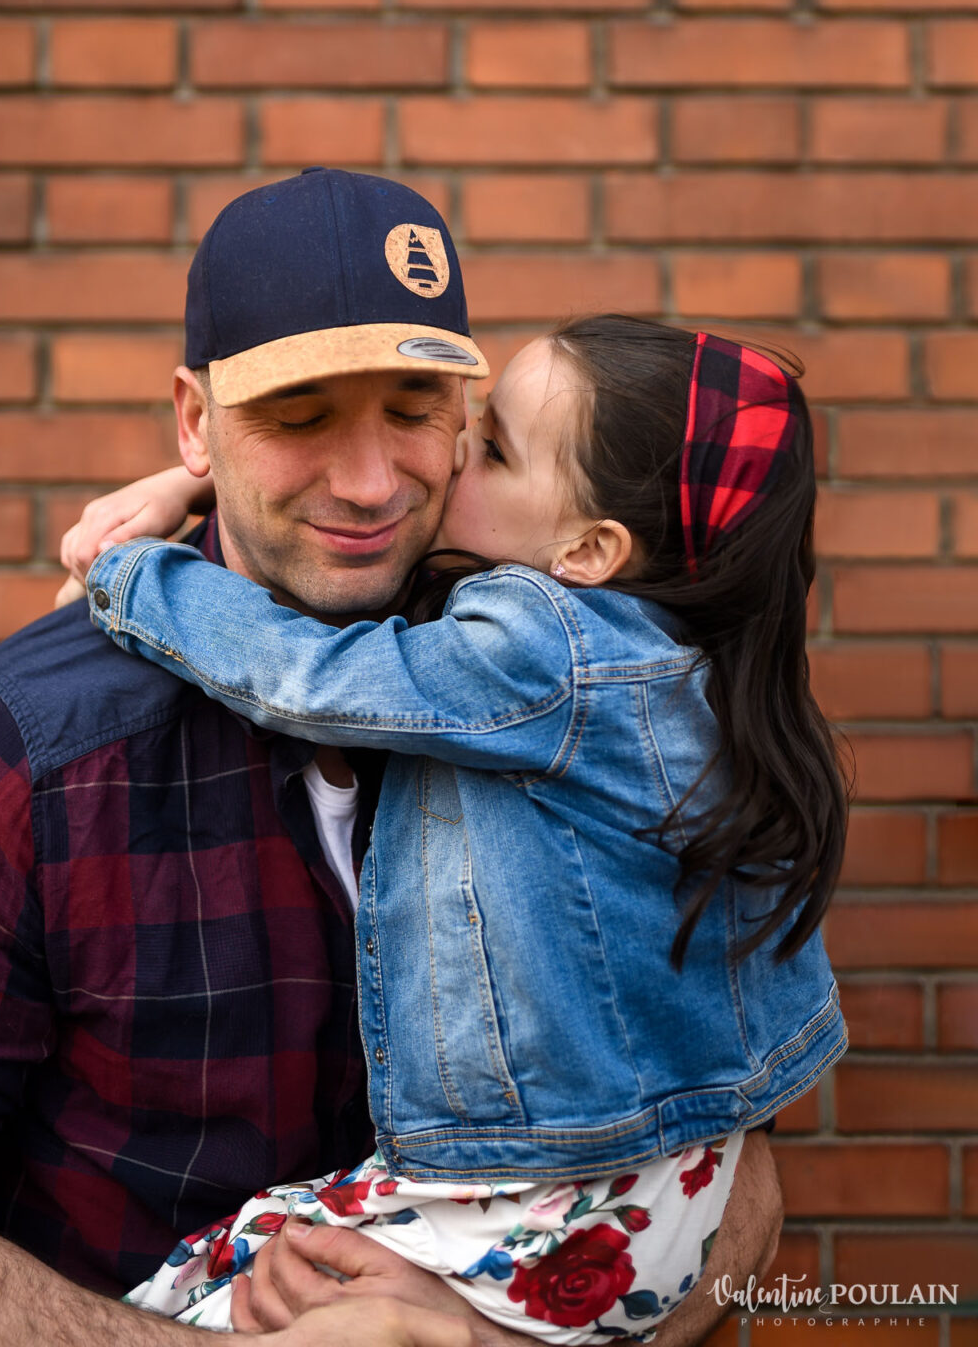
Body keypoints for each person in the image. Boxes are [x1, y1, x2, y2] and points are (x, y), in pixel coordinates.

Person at [0, 170, 783, 1346]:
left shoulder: (576, 701)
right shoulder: (22, 760)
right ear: (197, 422)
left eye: (417, 409)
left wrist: (480, 1336)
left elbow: (731, 1166)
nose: (372, 485)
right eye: (298, 416)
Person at [74, 310, 847, 1340]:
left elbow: (310, 676)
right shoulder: (675, 655)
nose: (445, 462)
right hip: (675, 1187)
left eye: (491, 450)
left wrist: (132, 573)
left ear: (588, 549)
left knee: (202, 1298)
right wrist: (195, 484)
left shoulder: (549, 650)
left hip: (549, 1193)